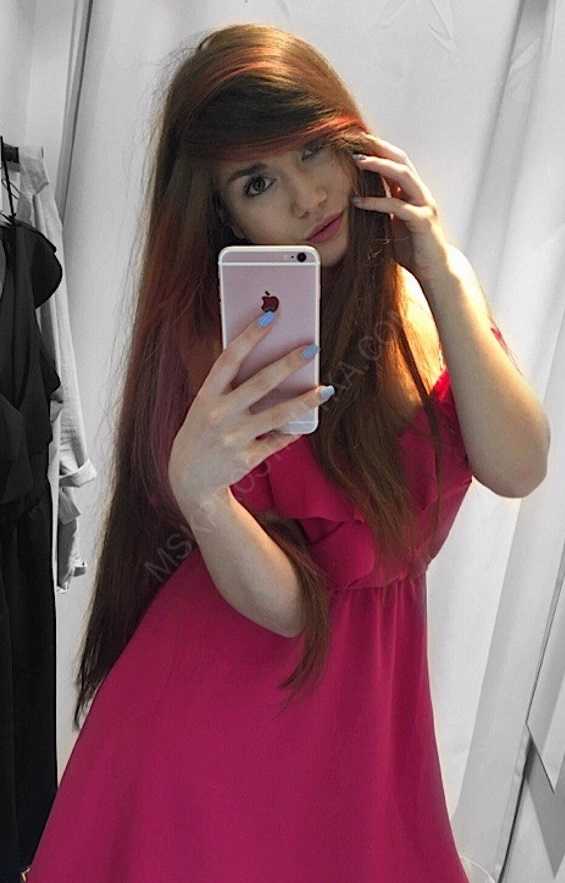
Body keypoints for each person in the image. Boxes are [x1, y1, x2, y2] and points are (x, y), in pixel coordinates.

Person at [26, 22, 520, 883]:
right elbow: (292, 607)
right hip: (217, 719)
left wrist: (442, 271)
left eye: (311, 149)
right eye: (258, 181)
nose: (305, 196)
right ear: (225, 213)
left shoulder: (429, 290)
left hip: (366, 713)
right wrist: (202, 499)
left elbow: (518, 465)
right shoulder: (219, 345)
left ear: (348, 135)